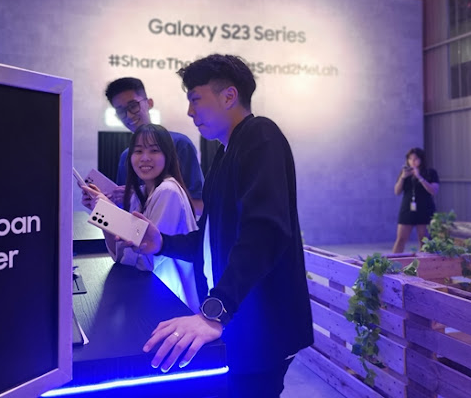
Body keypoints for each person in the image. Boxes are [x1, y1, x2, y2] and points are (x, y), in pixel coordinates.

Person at [126, 55, 313, 397]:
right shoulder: (225, 154)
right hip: (237, 319)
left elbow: (265, 232)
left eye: (196, 99)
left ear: (229, 96)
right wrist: (162, 243)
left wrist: (216, 310)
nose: (190, 111)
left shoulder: (261, 135)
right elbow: (210, 240)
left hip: (261, 324)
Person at [82, 124, 201, 313]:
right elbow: (120, 256)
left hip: (171, 302)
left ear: (168, 156)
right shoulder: (141, 193)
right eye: (138, 151)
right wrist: (102, 212)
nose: (145, 158)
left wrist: (108, 211)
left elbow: (146, 261)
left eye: (154, 150)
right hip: (151, 295)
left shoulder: (168, 191)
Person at [103, 77, 204, 214]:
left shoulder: (180, 144)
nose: (129, 115)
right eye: (121, 111)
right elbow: (125, 211)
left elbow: (199, 206)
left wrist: (142, 198)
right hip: (136, 227)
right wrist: (104, 201)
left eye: (133, 106)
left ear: (149, 103)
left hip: (172, 228)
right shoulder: (126, 156)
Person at [391, 147, 440, 253]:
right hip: (407, 208)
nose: (412, 161)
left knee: (424, 241)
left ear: (421, 159)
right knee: (400, 239)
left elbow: (434, 190)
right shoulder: (405, 173)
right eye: (410, 159)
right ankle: (392, 262)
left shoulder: (430, 172)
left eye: (416, 159)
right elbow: (397, 191)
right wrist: (402, 177)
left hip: (425, 208)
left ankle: (424, 262)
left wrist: (420, 177)